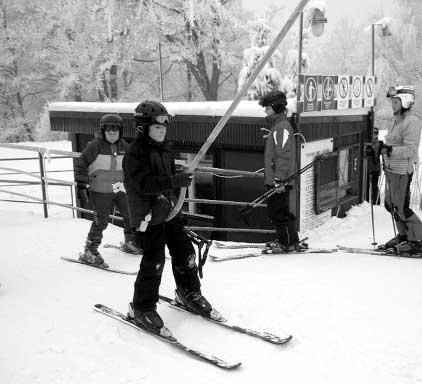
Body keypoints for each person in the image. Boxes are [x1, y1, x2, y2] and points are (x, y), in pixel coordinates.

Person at [123, 100, 220, 336]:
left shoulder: (165, 149)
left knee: (184, 253)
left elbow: (165, 178)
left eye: (165, 125)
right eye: (157, 126)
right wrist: (174, 181)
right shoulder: (134, 154)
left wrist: (178, 178)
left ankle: (188, 292)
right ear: (142, 128)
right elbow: (144, 184)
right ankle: (142, 307)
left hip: (169, 210)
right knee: (154, 261)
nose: (162, 129)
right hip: (148, 215)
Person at [75, 113, 141, 268]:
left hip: (120, 188)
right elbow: (82, 164)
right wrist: (81, 184)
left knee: (130, 214)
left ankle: (130, 241)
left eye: (116, 130)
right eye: (109, 130)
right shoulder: (95, 146)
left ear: (120, 131)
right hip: (100, 190)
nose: (112, 133)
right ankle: (90, 250)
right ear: (103, 131)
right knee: (101, 221)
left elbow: (134, 166)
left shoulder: (125, 147)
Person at [258, 90, 306, 252]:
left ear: (275, 107)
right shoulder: (278, 126)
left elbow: (284, 155)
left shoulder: (282, 127)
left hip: (280, 180)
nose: (265, 111)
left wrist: (279, 179)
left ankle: (286, 243)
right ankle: (289, 239)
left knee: (277, 212)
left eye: (267, 108)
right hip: (278, 179)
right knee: (280, 211)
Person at [378, 85, 422, 254]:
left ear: (405, 102)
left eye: (395, 102)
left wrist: (388, 150)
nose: (392, 105)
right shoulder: (397, 119)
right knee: (391, 205)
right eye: (392, 101)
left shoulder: (412, 121)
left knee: (402, 207)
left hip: (402, 170)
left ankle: (417, 239)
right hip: (391, 169)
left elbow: (410, 149)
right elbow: (393, 143)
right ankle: (404, 235)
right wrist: (379, 148)